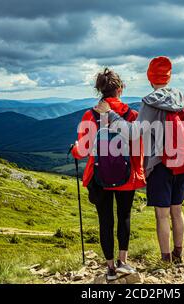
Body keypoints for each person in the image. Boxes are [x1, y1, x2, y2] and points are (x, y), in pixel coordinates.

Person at [94, 56, 184, 263]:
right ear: (169, 77)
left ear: (150, 78)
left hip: (159, 164)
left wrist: (111, 115)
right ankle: (179, 255)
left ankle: (166, 260)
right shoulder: (183, 98)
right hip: (182, 162)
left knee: (162, 214)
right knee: (178, 210)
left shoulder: (149, 102)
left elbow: (133, 133)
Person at [71, 68, 146, 280]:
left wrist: (75, 148)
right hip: (126, 175)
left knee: (105, 221)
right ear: (120, 89)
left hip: (100, 177)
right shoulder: (132, 116)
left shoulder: (89, 115)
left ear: (99, 90)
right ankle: (123, 262)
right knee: (124, 217)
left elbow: (83, 151)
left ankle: (110, 268)